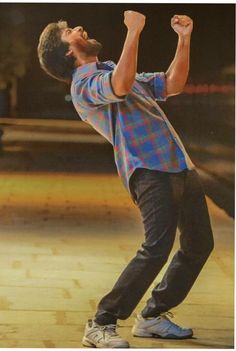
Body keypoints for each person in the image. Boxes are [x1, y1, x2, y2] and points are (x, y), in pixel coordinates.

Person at [37, 10, 214, 348]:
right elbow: (118, 88)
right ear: (68, 53)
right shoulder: (84, 86)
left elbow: (172, 83)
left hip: (179, 165)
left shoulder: (112, 70)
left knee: (199, 245)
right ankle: (102, 321)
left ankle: (152, 315)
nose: (80, 27)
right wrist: (133, 32)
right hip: (147, 170)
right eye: (70, 32)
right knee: (156, 249)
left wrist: (184, 38)